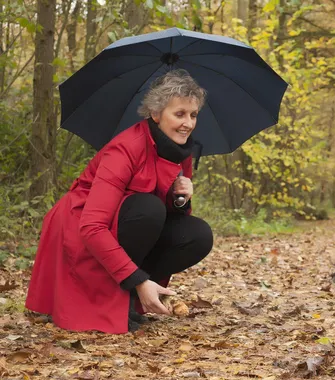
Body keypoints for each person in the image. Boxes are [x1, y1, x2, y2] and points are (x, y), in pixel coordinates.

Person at [25, 69, 214, 334]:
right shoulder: (125, 148)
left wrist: (181, 198)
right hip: (80, 225)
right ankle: (124, 293)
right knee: (148, 209)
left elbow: (172, 216)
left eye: (193, 115)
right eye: (179, 114)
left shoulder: (180, 150)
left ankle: (131, 298)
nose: (188, 123)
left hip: (129, 223)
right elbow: (92, 226)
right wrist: (138, 279)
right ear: (156, 114)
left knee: (198, 234)